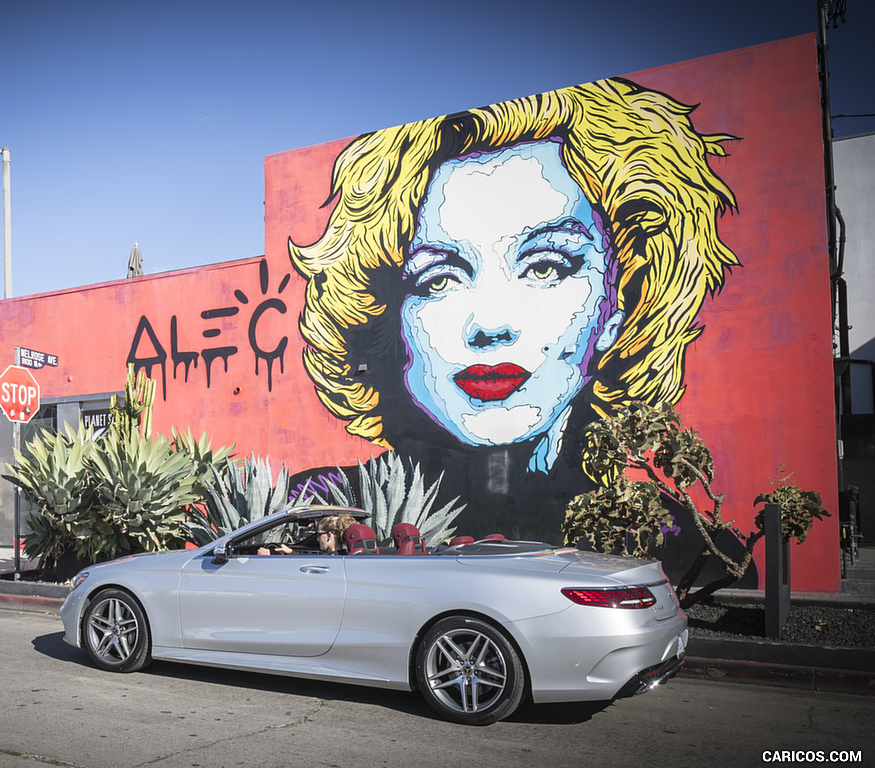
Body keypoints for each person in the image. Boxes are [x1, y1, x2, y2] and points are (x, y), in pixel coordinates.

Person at [288, 78, 752, 586]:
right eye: (438, 278)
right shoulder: (315, 510)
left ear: (619, 300)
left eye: (546, 266)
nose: (489, 325)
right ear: (387, 316)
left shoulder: (690, 550)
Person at [257, 513, 355, 555]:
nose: (317, 539)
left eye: (319, 535)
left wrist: (269, 556)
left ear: (329, 535)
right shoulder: (343, 556)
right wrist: (292, 553)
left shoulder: (329, 560)